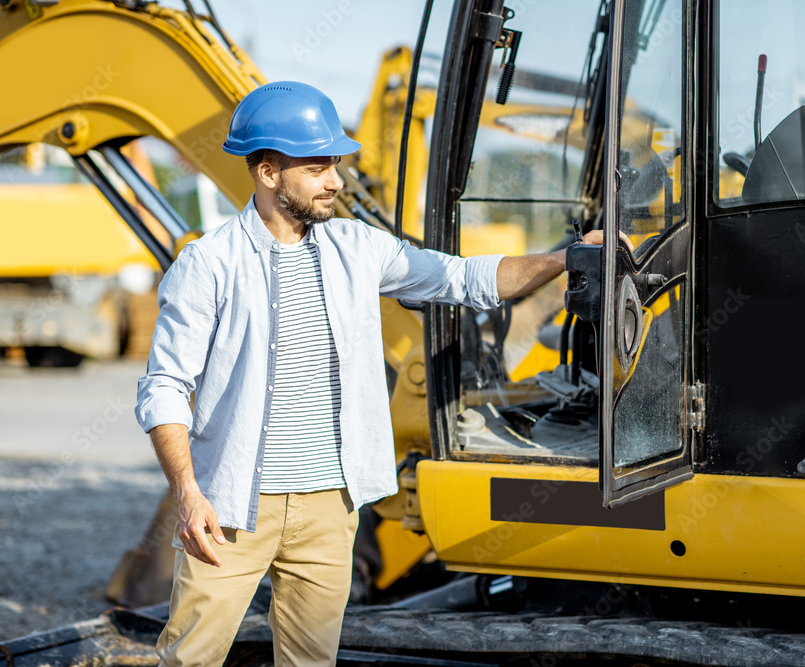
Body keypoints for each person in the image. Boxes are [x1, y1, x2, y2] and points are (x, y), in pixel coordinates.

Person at [134, 81, 605, 666]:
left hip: (331, 506)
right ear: (267, 173)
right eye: (317, 167)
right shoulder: (208, 265)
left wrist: (569, 256)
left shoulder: (358, 248)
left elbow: (465, 279)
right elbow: (165, 387)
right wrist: (186, 492)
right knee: (189, 659)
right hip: (230, 510)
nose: (335, 180)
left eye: (335, 163)